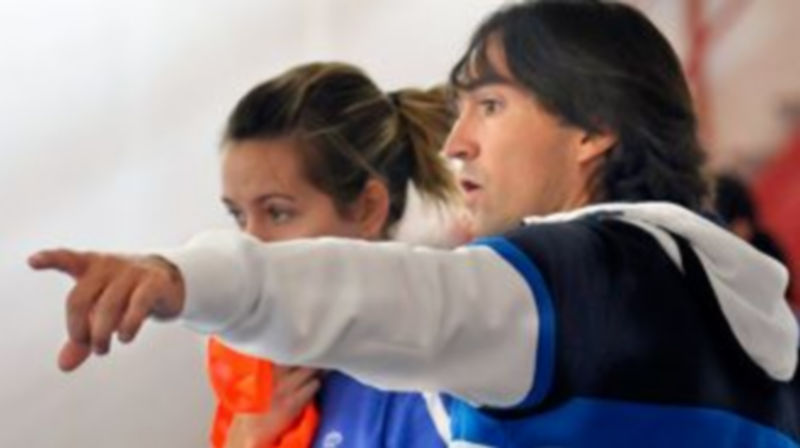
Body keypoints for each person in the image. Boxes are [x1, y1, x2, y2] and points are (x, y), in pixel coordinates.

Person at [30, 1, 799, 446]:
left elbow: (410, 295)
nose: (456, 141)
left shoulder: (587, 284)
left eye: (490, 106)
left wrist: (184, 277)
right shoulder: (714, 310)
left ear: (591, 127)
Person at [202, 62, 462, 447]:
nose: (248, 244)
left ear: (367, 209)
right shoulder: (254, 373)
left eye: (277, 212)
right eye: (238, 216)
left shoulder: (435, 372)